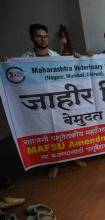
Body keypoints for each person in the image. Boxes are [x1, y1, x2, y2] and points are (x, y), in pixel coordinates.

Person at [2, 24, 86, 178]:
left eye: (45, 36)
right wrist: (5, 62)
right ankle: (54, 163)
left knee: (65, 130)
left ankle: (72, 157)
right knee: (47, 131)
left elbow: (71, 70)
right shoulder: (24, 59)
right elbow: (14, 75)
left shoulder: (56, 56)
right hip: (41, 104)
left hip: (60, 101)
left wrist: (79, 59)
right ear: (31, 38)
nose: (43, 39)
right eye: (39, 36)